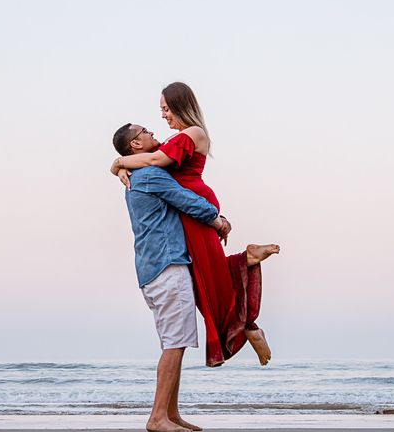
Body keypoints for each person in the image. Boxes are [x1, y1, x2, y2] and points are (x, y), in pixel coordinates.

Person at [111, 82, 280, 367]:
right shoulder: (173, 140)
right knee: (204, 275)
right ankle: (246, 270)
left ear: (179, 105)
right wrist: (119, 166)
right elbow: (148, 159)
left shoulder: (192, 133)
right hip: (186, 206)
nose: (163, 116)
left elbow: (152, 160)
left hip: (192, 204)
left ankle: (248, 325)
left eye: (165, 108)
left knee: (207, 276)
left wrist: (117, 162)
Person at [112, 122, 231, 432]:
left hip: (152, 269)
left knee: (173, 341)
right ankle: (157, 417)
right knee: (174, 344)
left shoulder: (137, 174)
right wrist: (218, 220)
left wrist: (118, 165)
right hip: (168, 268)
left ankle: (171, 414)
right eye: (145, 132)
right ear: (136, 146)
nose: (153, 133)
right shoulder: (151, 175)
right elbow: (187, 201)